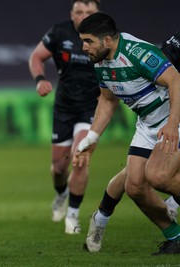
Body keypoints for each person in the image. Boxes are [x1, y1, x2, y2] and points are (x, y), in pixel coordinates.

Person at [73, 12, 180, 255]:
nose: (84, 47)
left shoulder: (138, 53)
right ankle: (176, 236)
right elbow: (107, 101)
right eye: (82, 41)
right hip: (148, 124)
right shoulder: (100, 61)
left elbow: (176, 80)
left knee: (159, 176)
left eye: (88, 41)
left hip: (174, 117)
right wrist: (92, 137)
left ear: (108, 40)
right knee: (134, 187)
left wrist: (173, 125)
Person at [28, 0, 104, 234]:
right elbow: (36, 58)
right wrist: (40, 80)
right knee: (59, 168)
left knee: (79, 156)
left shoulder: (106, 36)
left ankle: (72, 216)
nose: (83, 16)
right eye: (79, 12)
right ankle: (61, 194)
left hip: (91, 107)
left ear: (97, 14)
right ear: (72, 14)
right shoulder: (60, 31)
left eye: (89, 12)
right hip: (64, 106)